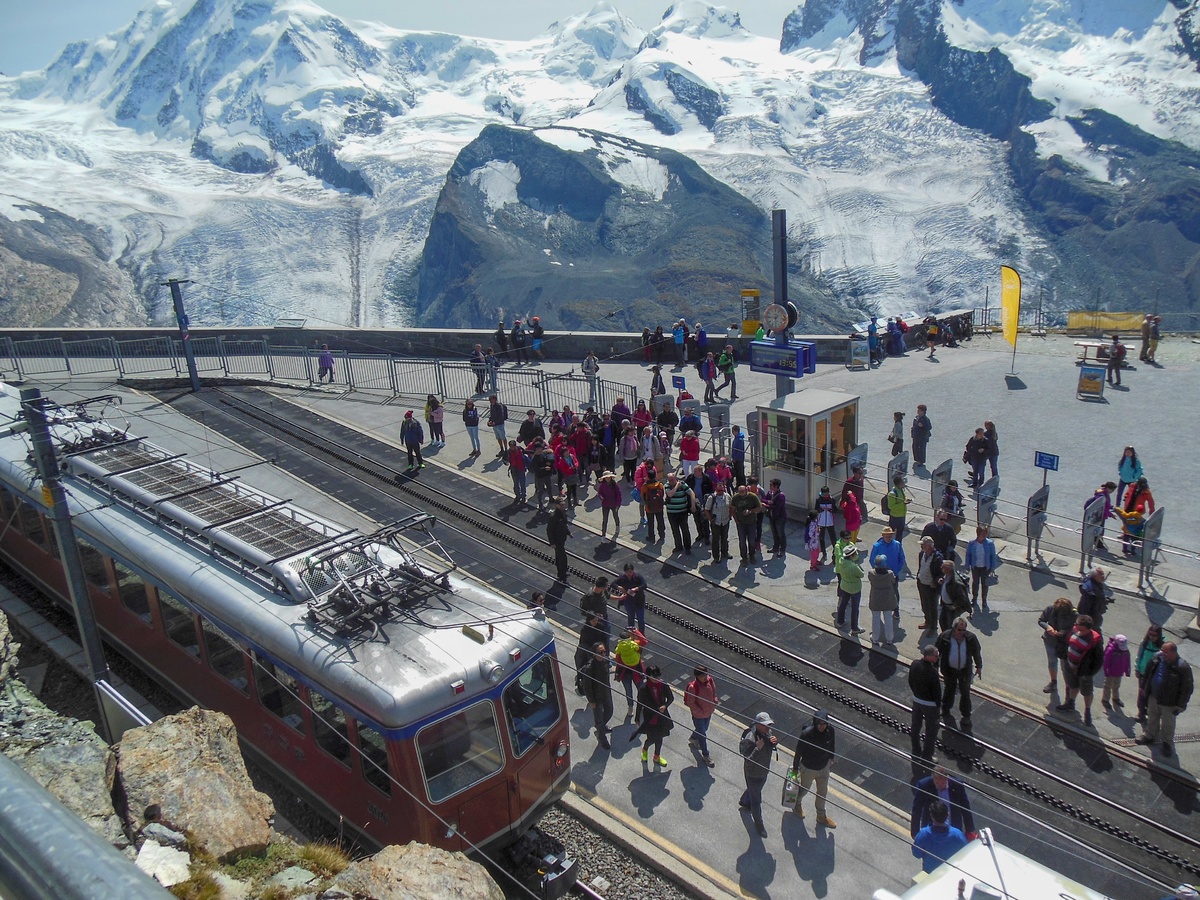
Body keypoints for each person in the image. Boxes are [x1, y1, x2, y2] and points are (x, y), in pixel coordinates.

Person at [1136, 641, 1193, 758]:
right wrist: (1144, 688)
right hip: (1153, 696)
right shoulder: (1157, 658)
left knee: (1168, 724)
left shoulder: (1182, 667)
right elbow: (1148, 673)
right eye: (1162, 650)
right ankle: (1150, 734)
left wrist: (1180, 705)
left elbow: (1187, 688)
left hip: (1169, 703)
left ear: (1173, 653)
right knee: (1152, 716)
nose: (1162, 653)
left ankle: (1166, 743)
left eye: (1165, 652)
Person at [791, 710, 837, 827]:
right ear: (815, 722)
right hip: (808, 768)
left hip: (824, 767)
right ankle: (797, 803)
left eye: (824, 723)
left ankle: (821, 815)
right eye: (819, 723)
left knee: (822, 792)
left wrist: (831, 757)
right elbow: (798, 752)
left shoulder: (830, 731)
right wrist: (795, 770)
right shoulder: (806, 734)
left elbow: (832, 744)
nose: (822, 726)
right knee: (804, 789)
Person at [1056, 614, 1103, 726]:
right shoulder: (1074, 630)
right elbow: (1067, 643)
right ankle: (1070, 703)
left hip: (1084, 672)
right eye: (1076, 625)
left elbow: (1099, 660)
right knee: (1073, 686)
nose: (1076, 627)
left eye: (1079, 627)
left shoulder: (1095, 640)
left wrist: (1089, 673)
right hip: (1070, 665)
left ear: (1087, 628)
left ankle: (1087, 712)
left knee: (1086, 692)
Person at [937, 617, 982, 729]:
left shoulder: (971, 638)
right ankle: (945, 709)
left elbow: (976, 653)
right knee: (949, 690)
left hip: (964, 671)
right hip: (949, 670)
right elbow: (937, 651)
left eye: (964, 630)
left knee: (965, 693)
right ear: (954, 628)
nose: (961, 633)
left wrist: (979, 666)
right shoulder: (945, 637)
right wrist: (934, 665)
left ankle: (966, 715)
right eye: (959, 630)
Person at [739, 712, 778, 838]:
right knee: (756, 801)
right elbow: (748, 760)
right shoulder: (750, 739)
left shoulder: (768, 733)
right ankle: (759, 824)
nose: (768, 728)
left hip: (764, 771)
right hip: (753, 774)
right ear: (757, 724)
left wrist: (774, 743)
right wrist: (757, 748)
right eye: (765, 725)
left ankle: (744, 800)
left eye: (769, 725)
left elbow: (770, 747)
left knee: (754, 791)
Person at [911, 766, 976, 840]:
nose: (939, 785)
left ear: (946, 778)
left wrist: (969, 829)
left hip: (953, 828)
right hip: (932, 830)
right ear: (933, 778)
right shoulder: (924, 786)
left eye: (942, 783)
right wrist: (915, 832)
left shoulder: (957, 785)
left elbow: (965, 807)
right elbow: (916, 810)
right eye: (937, 782)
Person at [632, 665, 673, 767]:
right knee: (651, 738)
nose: (658, 679)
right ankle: (645, 749)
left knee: (660, 737)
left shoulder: (663, 685)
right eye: (655, 677)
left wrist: (665, 705)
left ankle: (657, 756)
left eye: (658, 676)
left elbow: (671, 698)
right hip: (650, 717)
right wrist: (637, 717)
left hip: (662, 716)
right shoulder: (643, 689)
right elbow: (640, 703)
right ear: (648, 676)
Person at [912, 799, 967, 875]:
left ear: (932, 817)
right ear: (947, 814)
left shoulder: (923, 834)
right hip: (950, 873)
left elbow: (916, 853)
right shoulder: (957, 835)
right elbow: (966, 853)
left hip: (929, 873)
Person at [909, 644, 942, 761]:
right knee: (931, 731)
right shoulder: (932, 672)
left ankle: (915, 750)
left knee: (916, 726)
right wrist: (938, 705)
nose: (938, 658)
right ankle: (927, 755)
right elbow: (937, 691)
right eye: (936, 656)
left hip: (917, 701)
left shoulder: (914, 664)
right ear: (929, 656)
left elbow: (910, 681)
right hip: (930, 705)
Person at [1038, 597, 1077, 695]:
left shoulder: (1075, 614)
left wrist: (1066, 632)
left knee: (1065, 667)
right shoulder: (1050, 609)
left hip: (1065, 645)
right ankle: (1053, 682)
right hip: (1050, 641)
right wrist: (1048, 627)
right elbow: (1041, 621)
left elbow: (1078, 629)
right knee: (1052, 663)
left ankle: (1068, 689)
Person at [684, 665, 718, 767]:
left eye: (706, 674)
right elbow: (691, 703)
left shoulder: (710, 680)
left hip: (708, 712)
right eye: (702, 675)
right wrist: (700, 712)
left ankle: (693, 738)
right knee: (703, 735)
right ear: (696, 676)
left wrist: (715, 699)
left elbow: (713, 691)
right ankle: (706, 755)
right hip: (698, 715)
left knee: (703, 729)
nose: (705, 676)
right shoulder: (693, 687)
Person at [1116, 476, 1155, 557]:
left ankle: (1127, 534)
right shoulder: (1132, 485)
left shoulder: (1147, 492)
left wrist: (1152, 514)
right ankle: (1126, 534)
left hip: (1137, 510)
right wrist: (1125, 497)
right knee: (1127, 521)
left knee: (1132, 521)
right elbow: (1128, 493)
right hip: (1128, 506)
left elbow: (1151, 503)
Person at [613, 627, 646, 718]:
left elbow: (618, 659)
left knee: (632, 691)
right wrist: (637, 631)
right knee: (638, 690)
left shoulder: (620, 647)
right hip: (635, 672)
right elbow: (644, 641)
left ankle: (633, 707)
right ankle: (638, 706)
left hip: (625, 672)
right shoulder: (635, 645)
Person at [1135, 624, 1165, 724]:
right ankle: (1141, 713)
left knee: (1152, 696)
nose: (1152, 637)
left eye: (1154, 635)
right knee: (1142, 693)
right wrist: (1137, 669)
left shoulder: (1162, 646)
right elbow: (1139, 656)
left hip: (1155, 675)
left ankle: (1149, 712)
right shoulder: (1144, 643)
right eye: (1150, 634)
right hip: (1143, 673)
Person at [963, 526, 999, 610]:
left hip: (985, 567)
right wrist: (967, 565)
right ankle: (974, 598)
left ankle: (984, 600)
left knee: (985, 584)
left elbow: (993, 556)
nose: (985, 535)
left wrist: (993, 567)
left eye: (986, 533)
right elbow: (968, 554)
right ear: (978, 534)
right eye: (983, 534)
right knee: (975, 583)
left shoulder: (990, 544)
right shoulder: (972, 543)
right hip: (975, 567)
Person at [913, 537, 944, 633]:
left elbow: (941, 572)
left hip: (931, 587)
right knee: (924, 605)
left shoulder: (937, 558)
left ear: (929, 546)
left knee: (932, 608)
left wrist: (937, 581)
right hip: (922, 583)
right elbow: (921, 567)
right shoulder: (922, 554)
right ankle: (927, 621)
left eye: (923, 544)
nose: (921, 546)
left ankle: (933, 627)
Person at [835, 544, 866, 634]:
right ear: (852, 555)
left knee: (843, 604)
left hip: (844, 585)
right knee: (855, 608)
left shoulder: (841, 561)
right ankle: (855, 627)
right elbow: (861, 574)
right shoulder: (853, 567)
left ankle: (840, 621)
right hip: (854, 588)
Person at [868, 554, 898, 646]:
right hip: (887, 599)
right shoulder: (890, 574)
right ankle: (889, 639)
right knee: (888, 619)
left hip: (875, 599)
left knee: (875, 618)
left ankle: (875, 638)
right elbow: (893, 581)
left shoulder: (871, 573)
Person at [731, 483, 763, 566]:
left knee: (752, 541)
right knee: (742, 541)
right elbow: (732, 509)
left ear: (746, 490)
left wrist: (750, 511)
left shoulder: (752, 497)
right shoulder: (735, 498)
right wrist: (736, 520)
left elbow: (759, 508)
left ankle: (752, 555)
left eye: (742, 492)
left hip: (751, 523)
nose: (741, 494)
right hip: (741, 523)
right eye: (739, 492)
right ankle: (744, 558)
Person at [664, 471, 696, 555]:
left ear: (676, 478)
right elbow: (670, 494)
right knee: (675, 530)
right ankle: (678, 546)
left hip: (682, 512)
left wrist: (693, 505)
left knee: (685, 529)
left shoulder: (683, 485)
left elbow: (691, 493)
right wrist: (676, 487)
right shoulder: (667, 486)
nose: (671, 481)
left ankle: (687, 547)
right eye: (669, 480)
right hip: (672, 512)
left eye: (672, 479)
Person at [613, 562, 648, 634]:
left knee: (640, 619)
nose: (629, 574)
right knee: (630, 618)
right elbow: (613, 584)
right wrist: (618, 587)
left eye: (630, 572)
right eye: (627, 572)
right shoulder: (622, 578)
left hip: (638, 600)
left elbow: (644, 585)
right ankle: (631, 634)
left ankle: (641, 634)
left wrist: (636, 588)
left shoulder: (638, 577)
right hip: (628, 601)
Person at [937, 560, 969, 632]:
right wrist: (942, 580)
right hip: (945, 605)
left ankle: (952, 638)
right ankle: (945, 636)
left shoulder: (956, 582)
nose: (941, 567)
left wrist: (954, 606)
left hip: (951, 608)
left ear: (948, 569)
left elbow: (962, 598)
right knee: (942, 621)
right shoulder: (947, 576)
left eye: (943, 567)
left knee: (951, 625)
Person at [705, 480, 732, 563]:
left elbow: (731, 507)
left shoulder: (727, 496)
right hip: (716, 522)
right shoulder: (711, 498)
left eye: (722, 490)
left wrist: (730, 516)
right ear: (716, 490)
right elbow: (707, 510)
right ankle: (716, 556)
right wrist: (711, 520)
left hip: (725, 521)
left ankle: (725, 552)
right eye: (718, 490)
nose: (720, 492)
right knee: (715, 539)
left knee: (725, 538)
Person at [1102, 634, 1131, 711]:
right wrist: (1106, 670)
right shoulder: (1111, 650)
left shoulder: (1125, 651)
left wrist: (1127, 670)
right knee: (1107, 686)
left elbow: (1127, 660)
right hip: (1111, 672)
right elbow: (1106, 661)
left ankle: (1116, 698)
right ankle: (1105, 699)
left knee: (1116, 686)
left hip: (1119, 672)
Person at [546, 499, 571, 583]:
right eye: (561, 505)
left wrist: (568, 533)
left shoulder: (563, 513)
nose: (563, 506)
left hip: (562, 538)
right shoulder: (553, 516)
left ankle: (561, 573)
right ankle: (562, 576)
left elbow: (564, 525)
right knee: (563, 558)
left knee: (559, 557)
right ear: (557, 505)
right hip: (557, 540)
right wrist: (552, 542)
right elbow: (549, 530)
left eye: (563, 504)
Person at [596, 470, 622, 541]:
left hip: (614, 504)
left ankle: (617, 525)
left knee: (615, 516)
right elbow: (599, 493)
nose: (608, 479)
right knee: (605, 520)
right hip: (605, 504)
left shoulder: (615, 484)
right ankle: (603, 535)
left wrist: (618, 504)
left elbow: (619, 495)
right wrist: (601, 497)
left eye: (609, 477)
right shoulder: (602, 485)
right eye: (606, 477)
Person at [765, 478, 787, 556]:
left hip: (780, 517)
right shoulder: (770, 493)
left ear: (776, 486)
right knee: (774, 533)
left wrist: (767, 505)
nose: (770, 486)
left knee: (780, 534)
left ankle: (782, 550)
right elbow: (764, 499)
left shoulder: (781, 496)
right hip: (772, 516)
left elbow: (777, 506)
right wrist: (768, 502)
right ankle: (775, 547)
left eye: (771, 485)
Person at [884, 475, 909, 541]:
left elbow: (902, 498)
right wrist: (903, 503)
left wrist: (906, 500)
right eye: (903, 482)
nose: (904, 483)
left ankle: (898, 545)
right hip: (895, 517)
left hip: (902, 515)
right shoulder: (892, 494)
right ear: (899, 483)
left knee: (900, 533)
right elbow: (891, 506)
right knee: (890, 532)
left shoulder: (900, 490)